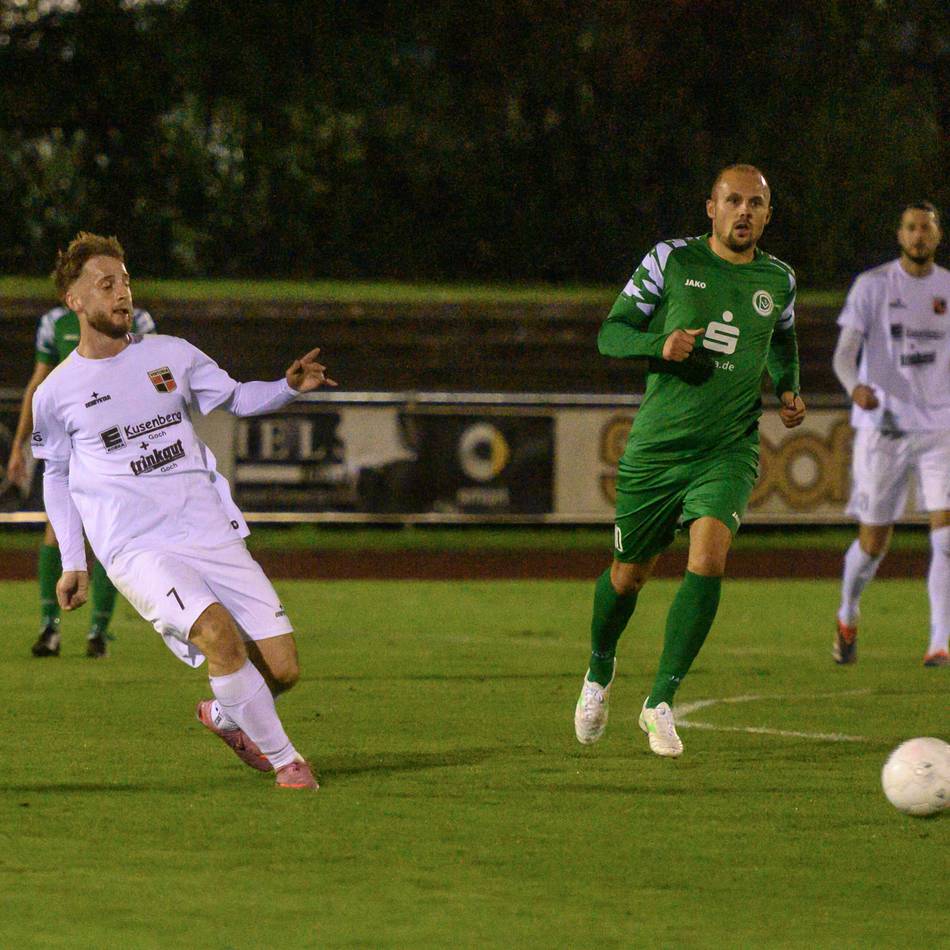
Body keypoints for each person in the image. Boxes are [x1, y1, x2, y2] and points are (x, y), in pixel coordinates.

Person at [31, 231, 336, 789]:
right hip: (136, 546)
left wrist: (287, 388)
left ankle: (227, 714)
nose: (121, 293)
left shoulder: (171, 354)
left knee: (283, 668)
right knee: (218, 635)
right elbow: (56, 475)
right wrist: (75, 560)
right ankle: (289, 762)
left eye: (125, 281)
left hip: (207, 529)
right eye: (106, 284)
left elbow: (239, 397)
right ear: (74, 301)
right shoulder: (56, 393)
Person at [574, 164, 806, 757]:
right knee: (628, 577)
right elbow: (611, 334)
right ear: (711, 207)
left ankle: (660, 703)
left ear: (768, 214)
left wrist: (786, 387)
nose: (744, 212)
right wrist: (660, 343)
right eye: (733, 201)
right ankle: (600, 668)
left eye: (756, 203)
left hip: (728, 448)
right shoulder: (670, 261)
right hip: (658, 450)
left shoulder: (779, 279)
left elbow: (782, 339)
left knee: (710, 554)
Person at [832, 201, 950, 668]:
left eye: (926, 227)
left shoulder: (947, 288)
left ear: (937, 236)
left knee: (945, 537)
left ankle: (940, 640)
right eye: (910, 228)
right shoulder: (873, 286)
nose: (918, 235)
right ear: (899, 235)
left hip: (940, 426)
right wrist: (854, 386)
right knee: (873, 543)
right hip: (884, 429)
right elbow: (844, 354)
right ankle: (847, 613)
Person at [7, 298, 156, 658]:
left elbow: (151, 381)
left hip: (118, 444)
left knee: (109, 532)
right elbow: (38, 384)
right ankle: (49, 628)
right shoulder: (54, 323)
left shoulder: (137, 321)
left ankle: (98, 632)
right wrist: (19, 446)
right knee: (57, 530)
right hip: (72, 441)